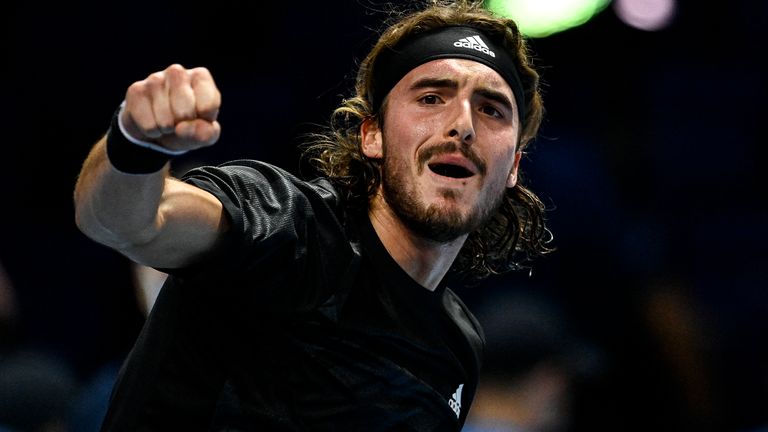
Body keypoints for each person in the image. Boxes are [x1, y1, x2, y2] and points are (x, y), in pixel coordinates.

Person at [72, 0, 552, 430]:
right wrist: (135, 143)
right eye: (430, 98)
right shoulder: (284, 225)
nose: (463, 126)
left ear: (512, 166)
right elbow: (126, 222)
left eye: (492, 110)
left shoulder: (456, 349)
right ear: (373, 137)